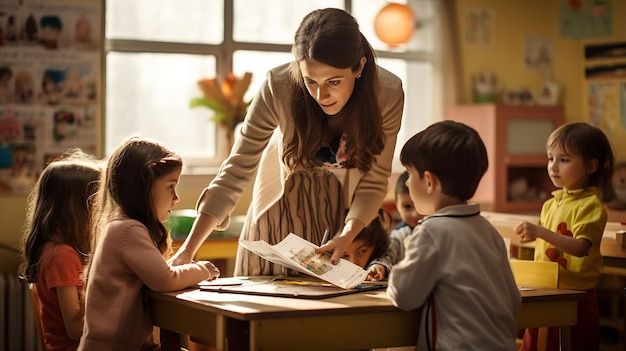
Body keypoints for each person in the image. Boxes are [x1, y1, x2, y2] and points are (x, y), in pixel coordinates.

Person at [170, 8, 404, 275]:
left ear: (359, 66)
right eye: (310, 81)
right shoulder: (278, 86)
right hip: (277, 208)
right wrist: (188, 250)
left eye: (334, 81)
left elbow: (375, 180)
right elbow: (237, 169)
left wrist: (347, 235)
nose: (321, 94)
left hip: (337, 213)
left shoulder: (387, 94)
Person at [387, 120, 522, 351]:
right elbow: (514, 300)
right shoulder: (488, 230)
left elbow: (404, 295)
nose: (407, 182)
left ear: (429, 181)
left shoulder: (430, 231)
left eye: (409, 174)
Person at [78, 137, 220, 350]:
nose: (176, 197)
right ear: (142, 186)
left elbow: (157, 274)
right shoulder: (128, 230)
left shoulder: (121, 227)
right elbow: (165, 279)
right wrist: (202, 270)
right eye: (170, 186)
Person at [515, 122, 615, 351]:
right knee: (534, 344)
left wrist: (539, 231)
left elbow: (580, 247)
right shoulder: (551, 204)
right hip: (546, 288)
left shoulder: (591, 205)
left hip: (575, 295)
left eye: (564, 160)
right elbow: (551, 240)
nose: (553, 167)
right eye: (550, 158)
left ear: (591, 166)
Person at [18, 148, 102, 351]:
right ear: (78, 208)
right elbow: (74, 329)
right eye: (97, 204)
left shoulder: (55, 251)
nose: (101, 211)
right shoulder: (61, 256)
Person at [368, 170, 423, 280]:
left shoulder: (441, 230)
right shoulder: (398, 236)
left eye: (420, 204)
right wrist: (379, 267)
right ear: (397, 207)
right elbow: (386, 256)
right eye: (407, 206)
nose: (415, 213)